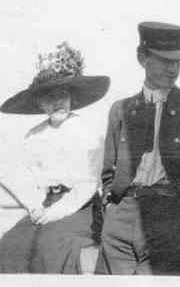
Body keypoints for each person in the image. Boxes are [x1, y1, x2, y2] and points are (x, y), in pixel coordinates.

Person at [95, 22, 180, 275]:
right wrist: (112, 209)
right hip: (121, 216)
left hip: (172, 217)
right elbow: (109, 171)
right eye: (164, 61)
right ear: (142, 58)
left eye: (177, 62)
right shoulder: (121, 110)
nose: (172, 69)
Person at [0, 42, 110, 273]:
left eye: (62, 95)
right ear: (41, 104)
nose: (57, 102)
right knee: (10, 244)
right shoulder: (34, 136)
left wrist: (53, 214)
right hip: (45, 205)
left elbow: (88, 184)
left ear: (71, 97)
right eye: (49, 98)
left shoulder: (87, 131)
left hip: (80, 208)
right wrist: (35, 207)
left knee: (52, 246)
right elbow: (26, 177)